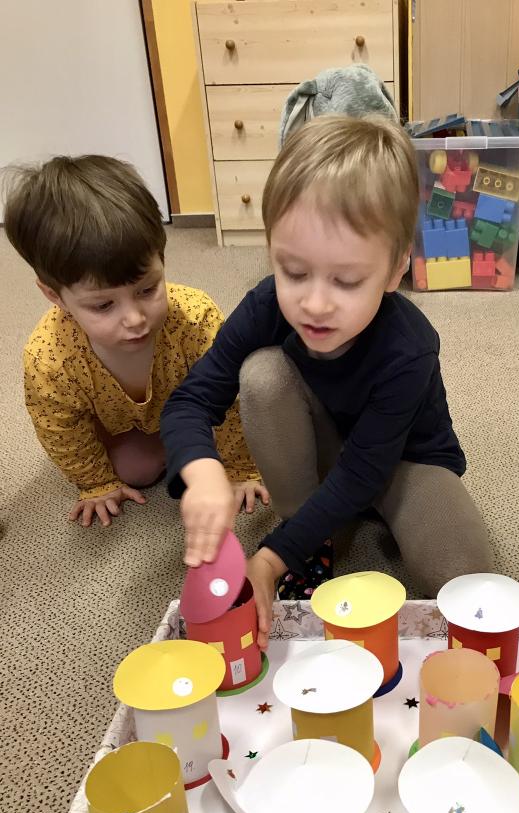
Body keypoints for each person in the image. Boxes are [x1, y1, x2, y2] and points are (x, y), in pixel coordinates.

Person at [161, 115, 493, 647]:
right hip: (321, 451)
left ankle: (317, 530)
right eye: (294, 272)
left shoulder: (410, 347)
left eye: (346, 280)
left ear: (395, 270)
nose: (314, 303)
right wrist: (202, 474)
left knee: (469, 583)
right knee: (262, 374)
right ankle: (310, 531)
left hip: (404, 463)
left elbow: (364, 471)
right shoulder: (265, 305)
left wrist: (269, 558)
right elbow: (190, 401)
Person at [4, 154, 267, 527]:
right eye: (103, 305)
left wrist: (239, 468)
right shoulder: (50, 358)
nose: (135, 319)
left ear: (161, 259)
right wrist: (96, 484)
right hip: (119, 426)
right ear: (54, 296)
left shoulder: (194, 317)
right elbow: (60, 428)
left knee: (253, 425)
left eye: (147, 289)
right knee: (136, 470)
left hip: (193, 407)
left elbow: (231, 391)